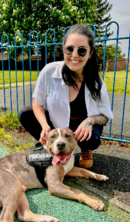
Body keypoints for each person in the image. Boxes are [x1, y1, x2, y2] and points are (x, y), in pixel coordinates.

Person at [18, 24, 113, 169]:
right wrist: (44, 126)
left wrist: (90, 120)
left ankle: (86, 149)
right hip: (57, 124)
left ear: (90, 53)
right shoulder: (49, 71)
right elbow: (38, 104)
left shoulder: (97, 83)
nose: (74, 55)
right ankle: (52, 145)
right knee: (25, 113)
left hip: (80, 129)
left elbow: (105, 116)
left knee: (92, 138)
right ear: (64, 49)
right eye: (70, 49)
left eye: (81, 50)